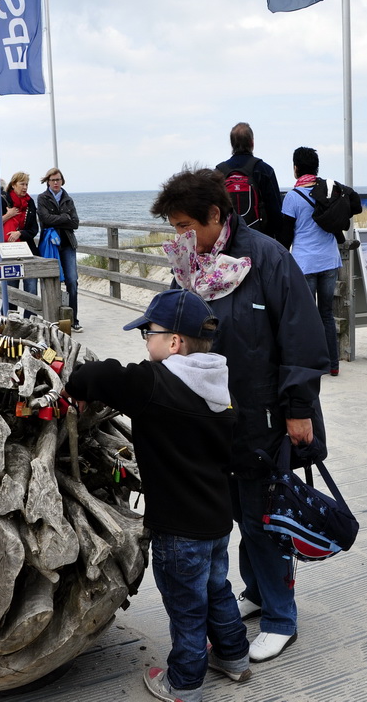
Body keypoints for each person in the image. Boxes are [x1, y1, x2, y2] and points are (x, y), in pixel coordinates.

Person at [150, 167, 328, 664]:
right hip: (210, 418)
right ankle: (255, 591)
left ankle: (280, 617)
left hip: (264, 412)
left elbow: (301, 335)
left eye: (186, 225)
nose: (180, 236)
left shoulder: (266, 257)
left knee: (262, 516)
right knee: (229, 512)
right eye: (173, 227)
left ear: (215, 214)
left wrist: (298, 409)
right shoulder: (188, 267)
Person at [64, 288, 250, 702]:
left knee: (186, 607)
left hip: (178, 528)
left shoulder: (154, 383)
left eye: (148, 332)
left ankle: (184, 683)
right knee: (216, 589)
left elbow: (99, 375)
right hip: (217, 520)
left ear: (174, 342)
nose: (145, 340)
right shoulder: (222, 390)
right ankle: (235, 657)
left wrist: (75, 384)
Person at [282, 147, 342, 376]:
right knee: (326, 313)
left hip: (305, 263)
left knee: (307, 315)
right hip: (329, 261)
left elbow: (286, 237)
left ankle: (312, 364)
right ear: (316, 168)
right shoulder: (329, 191)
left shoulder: (292, 197)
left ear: (296, 168)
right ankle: (333, 364)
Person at [216, 122, 283, 244]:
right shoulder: (264, 170)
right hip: (259, 240)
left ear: (232, 144)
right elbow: (275, 210)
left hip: (228, 241)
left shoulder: (219, 172)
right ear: (252, 143)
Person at [35, 167, 83, 332]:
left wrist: (60, 220)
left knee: (72, 281)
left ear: (62, 181)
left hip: (68, 244)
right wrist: (64, 218)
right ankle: (53, 320)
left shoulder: (68, 199)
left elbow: (75, 223)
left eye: (58, 179)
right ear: (47, 181)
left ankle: (73, 319)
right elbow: (45, 219)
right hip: (50, 244)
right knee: (52, 281)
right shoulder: (42, 198)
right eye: (53, 180)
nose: (56, 182)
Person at [1, 172, 39, 316]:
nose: (25, 187)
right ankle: (11, 322)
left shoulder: (30, 202)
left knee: (32, 289)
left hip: (28, 250)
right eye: (22, 184)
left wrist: (20, 233)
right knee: (12, 290)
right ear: (13, 184)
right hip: (10, 251)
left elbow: (34, 229)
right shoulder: (3, 200)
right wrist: (9, 215)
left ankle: (30, 323)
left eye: (27, 184)